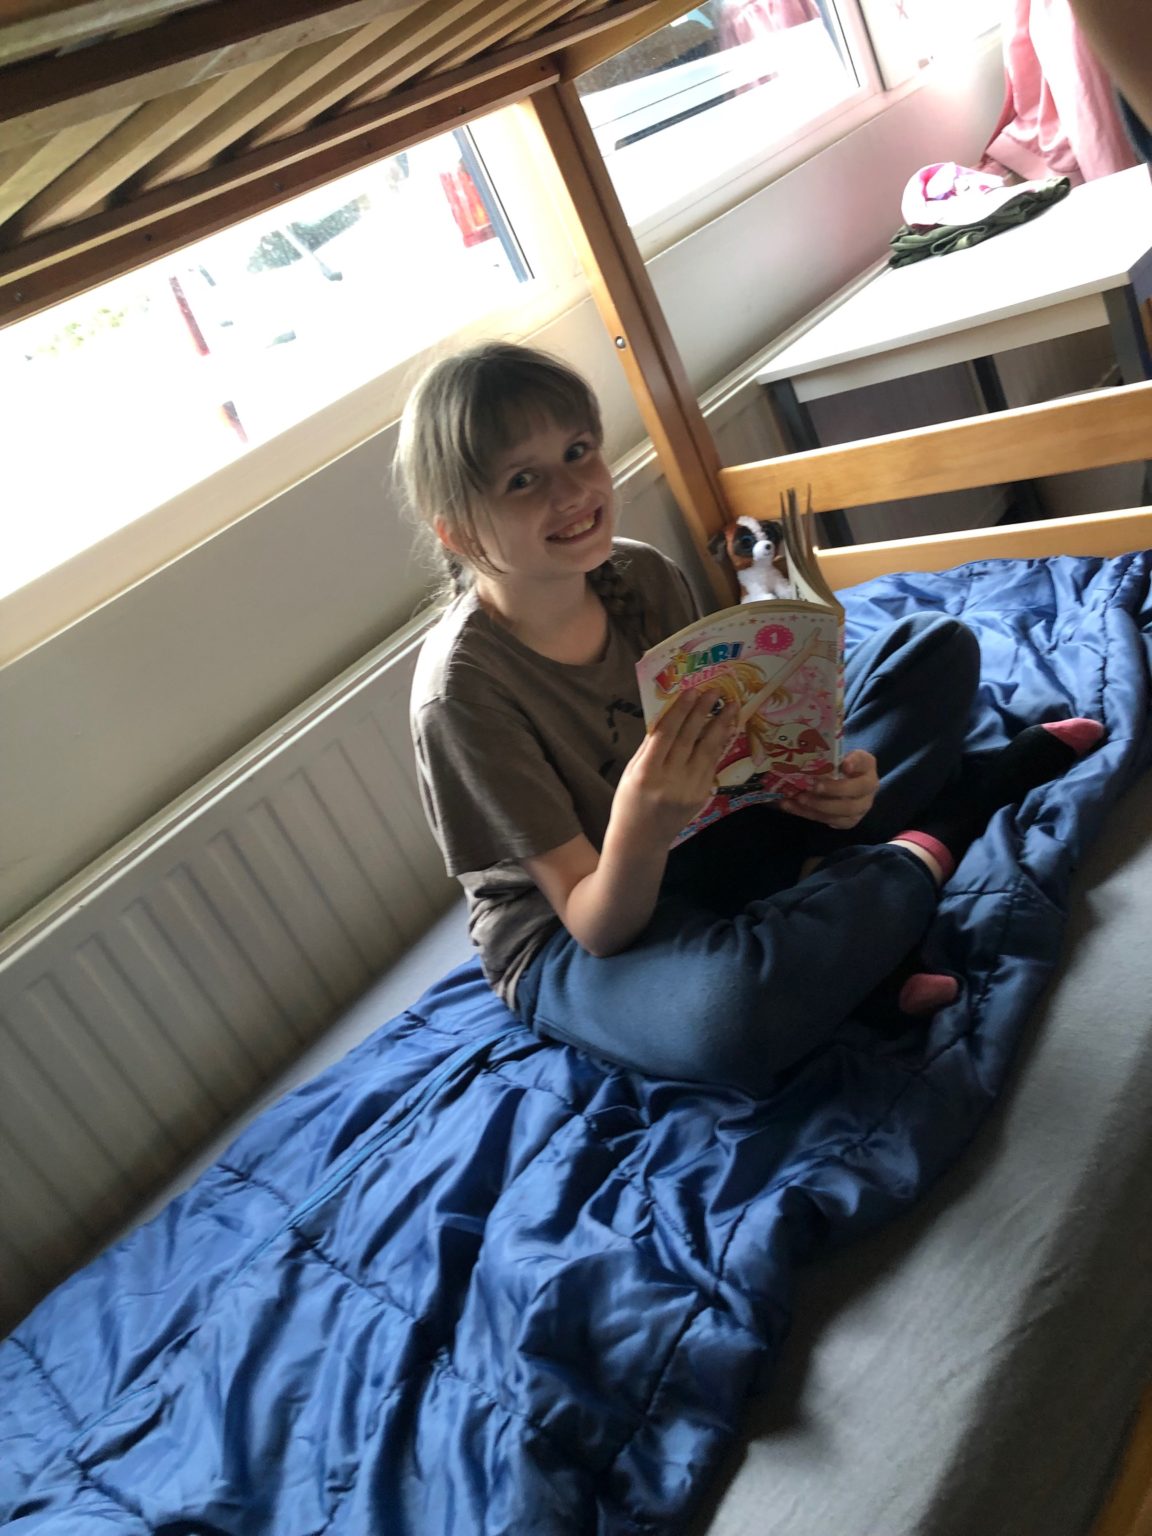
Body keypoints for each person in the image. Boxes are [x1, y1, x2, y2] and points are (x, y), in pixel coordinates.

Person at [398, 342, 1102, 1097]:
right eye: (522, 479)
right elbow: (597, 925)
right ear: (458, 532)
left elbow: (736, 751)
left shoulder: (640, 574)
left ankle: (845, 900)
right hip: (580, 926)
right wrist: (643, 825)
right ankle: (949, 824)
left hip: (709, 831)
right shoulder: (462, 696)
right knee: (731, 1018)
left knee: (933, 646)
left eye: (577, 451)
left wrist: (820, 780)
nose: (571, 491)